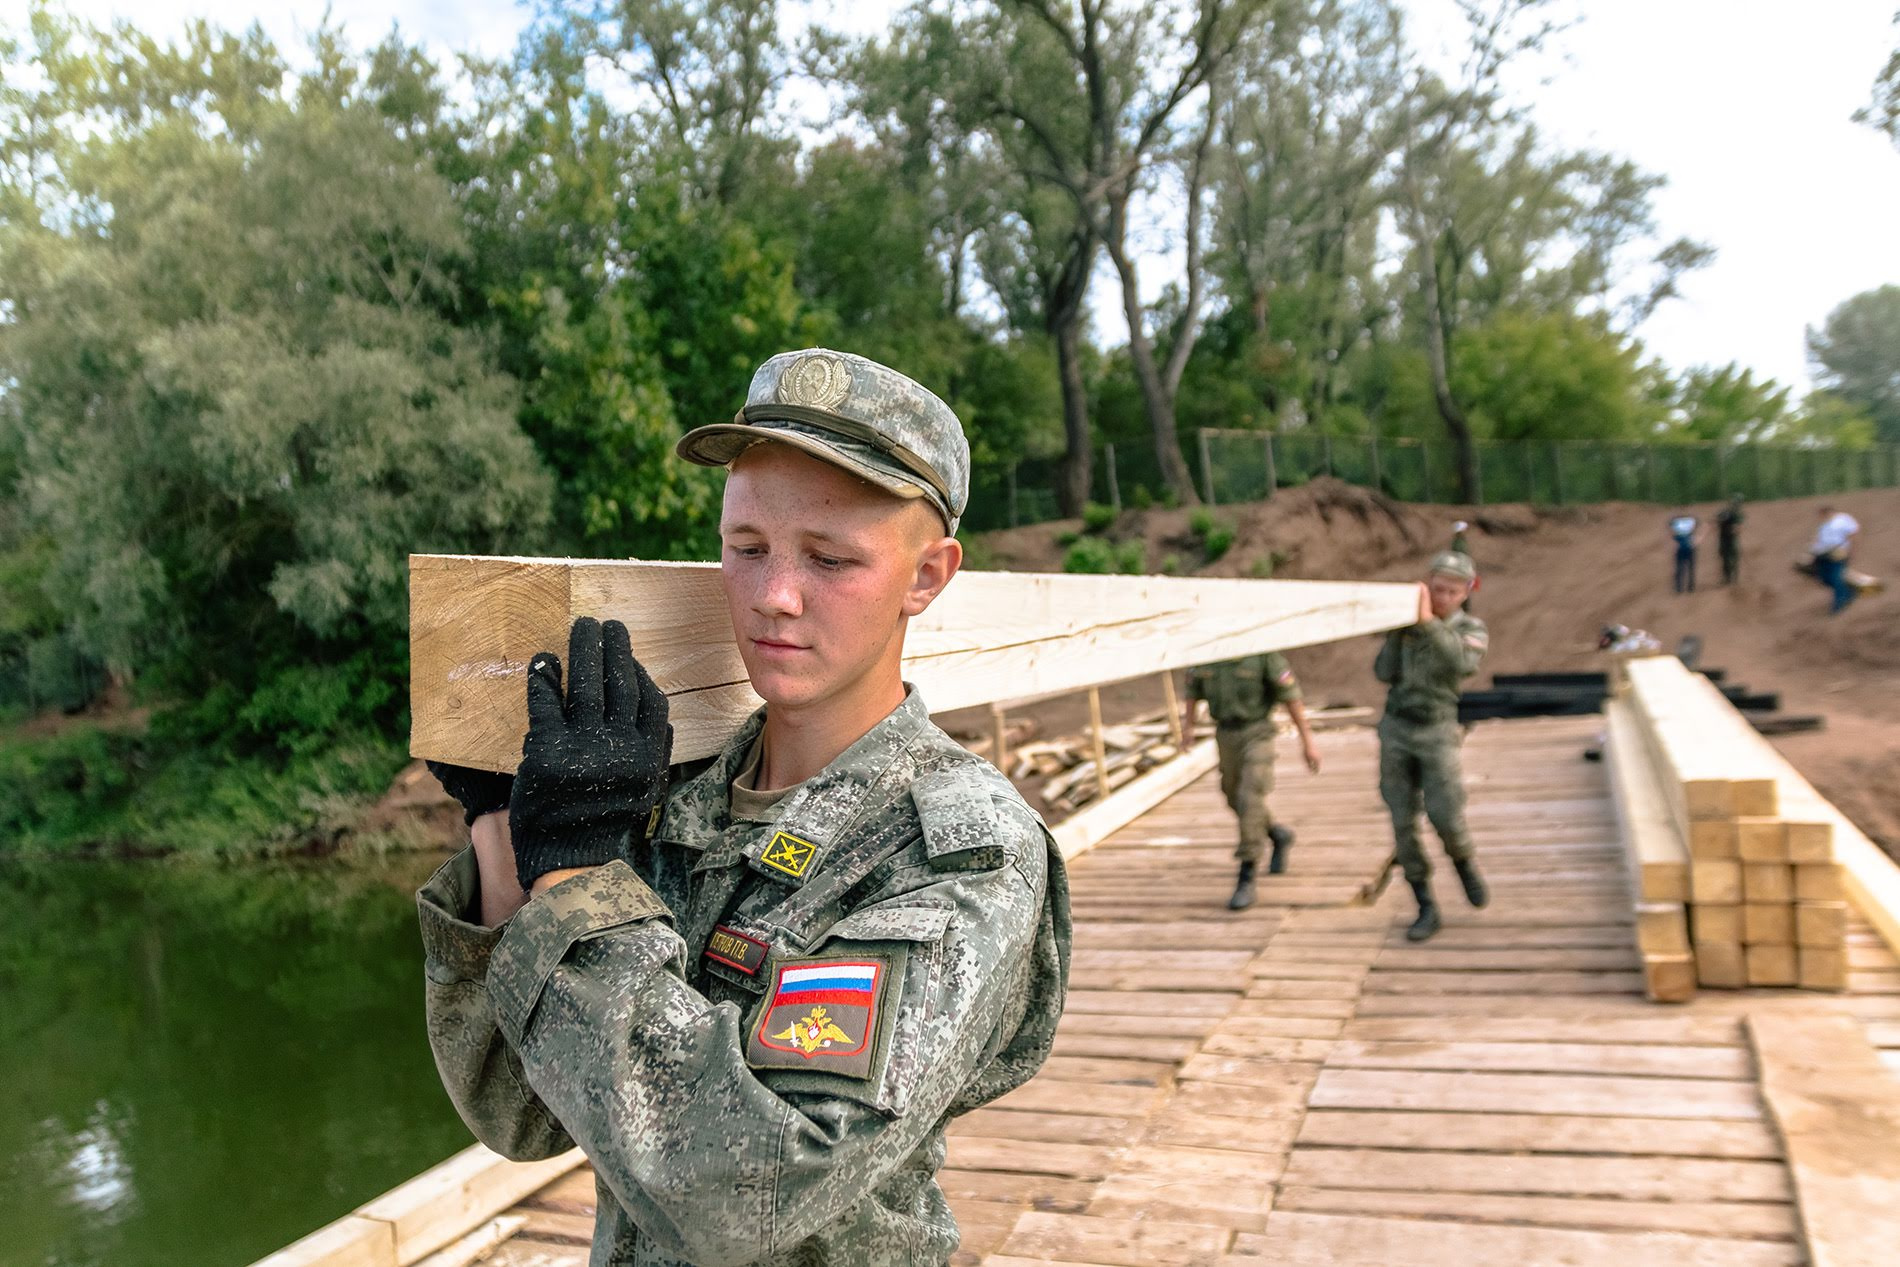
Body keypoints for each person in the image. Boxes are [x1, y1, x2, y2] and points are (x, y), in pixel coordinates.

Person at [417, 348, 1071, 1266]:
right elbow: (520, 1109)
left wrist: (573, 877)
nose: (773, 596)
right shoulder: (682, 796)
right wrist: (504, 830)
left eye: (831, 558)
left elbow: (751, 1184)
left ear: (926, 577)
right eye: (746, 546)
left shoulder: (960, 850)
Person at [1374, 551, 1489, 943]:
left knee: (1446, 814)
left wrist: (1427, 624)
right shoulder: (1407, 626)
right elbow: (1383, 672)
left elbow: (1461, 663)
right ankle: (1425, 904)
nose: (1442, 597)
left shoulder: (1469, 628)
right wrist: (1397, 630)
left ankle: (1463, 861)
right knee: (1401, 822)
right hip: (1398, 728)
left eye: (1451, 591)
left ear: (1466, 592)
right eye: (1436, 589)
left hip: (1437, 729)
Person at [1182, 654, 1322, 910]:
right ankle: (1277, 834)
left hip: (1257, 732)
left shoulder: (1263, 656)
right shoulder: (1209, 654)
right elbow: (1193, 689)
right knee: (1232, 795)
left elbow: (1291, 696)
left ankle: (1247, 873)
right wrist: (1188, 727)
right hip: (1225, 734)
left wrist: (1308, 742)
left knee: (1250, 798)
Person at [1809, 504, 1861, 614]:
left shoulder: (1843, 520)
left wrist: (1850, 550)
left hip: (1838, 552)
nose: (1821, 516)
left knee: (1837, 577)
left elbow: (1853, 533)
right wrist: (1812, 552)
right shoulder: (1824, 525)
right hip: (1823, 555)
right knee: (1823, 577)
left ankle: (1839, 604)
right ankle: (1849, 592)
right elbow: (1818, 540)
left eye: (1823, 514)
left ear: (1829, 511)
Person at [1668, 509, 1703, 594]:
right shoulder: (1687, 520)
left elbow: (1703, 527)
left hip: (1687, 547)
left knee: (1685, 568)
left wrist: (1698, 539)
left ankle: (1685, 587)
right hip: (1684, 547)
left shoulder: (1678, 521)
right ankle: (1682, 587)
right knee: (1684, 568)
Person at [1716, 495, 1745, 586]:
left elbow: (1738, 527)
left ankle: (1733, 578)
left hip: (1731, 539)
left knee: (1733, 558)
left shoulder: (1736, 514)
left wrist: (1734, 529)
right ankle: (1727, 578)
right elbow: (1716, 521)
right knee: (1725, 559)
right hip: (1724, 539)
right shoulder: (1724, 513)